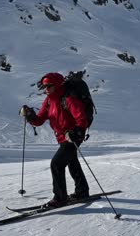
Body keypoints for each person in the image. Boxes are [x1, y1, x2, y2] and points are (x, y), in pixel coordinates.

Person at [20, 72, 90, 208]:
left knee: (57, 164)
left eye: (49, 86)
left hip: (73, 136)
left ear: (57, 85)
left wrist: (77, 131)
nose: (46, 89)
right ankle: (82, 191)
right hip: (62, 137)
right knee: (71, 161)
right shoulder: (49, 101)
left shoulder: (69, 98)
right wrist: (30, 116)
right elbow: (39, 120)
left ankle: (60, 198)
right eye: (44, 86)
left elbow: (81, 118)